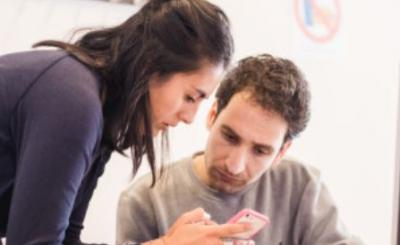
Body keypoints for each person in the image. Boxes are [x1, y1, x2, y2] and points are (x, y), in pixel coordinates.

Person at [0, 0, 253, 244]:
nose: (189, 118)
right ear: (150, 65)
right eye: (190, 97)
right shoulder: (73, 105)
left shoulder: (98, 115)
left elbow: (68, 240)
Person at [117, 54, 363, 245]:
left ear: (282, 151)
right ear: (212, 115)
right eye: (230, 137)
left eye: (260, 151)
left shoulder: (302, 186)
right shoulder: (144, 200)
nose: (234, 165)